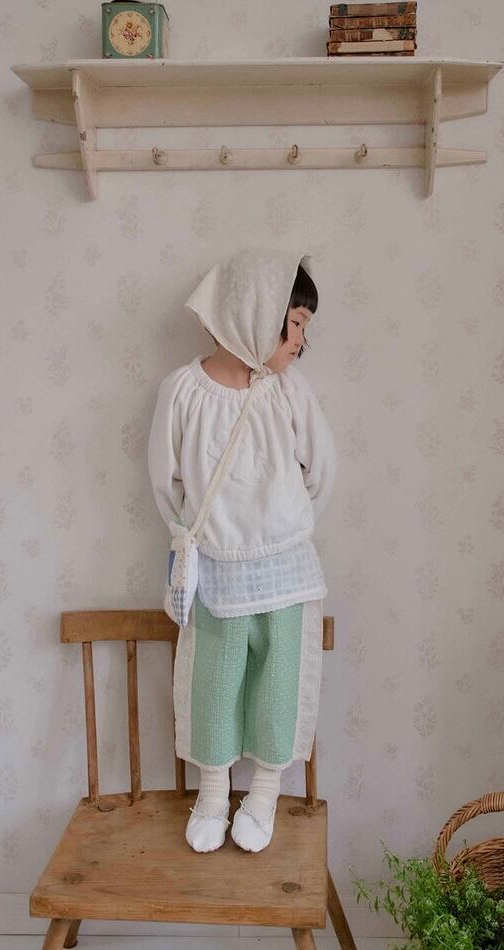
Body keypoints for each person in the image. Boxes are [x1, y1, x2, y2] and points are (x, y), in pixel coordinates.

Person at [147, 247, 336, 854]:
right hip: (218, 569)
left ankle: (264, 793)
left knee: (278, 680)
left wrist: (283, 525)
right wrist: (196, 533)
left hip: (286, 569)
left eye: (305, 326)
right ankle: (212, 791)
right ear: (255, 314)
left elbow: (322, 469)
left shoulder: (289, 392)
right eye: (296, 323)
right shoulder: (183, 390)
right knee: (216, 679)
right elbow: (166, 480)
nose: (302, 340)